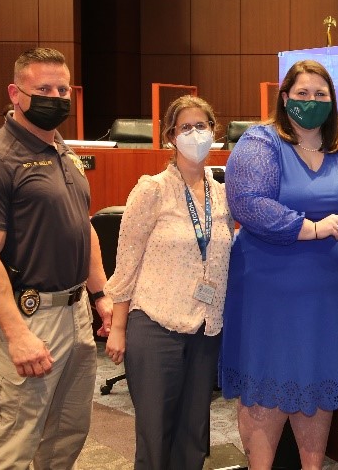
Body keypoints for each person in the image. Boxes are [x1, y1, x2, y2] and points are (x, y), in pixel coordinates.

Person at [0, 47, 114, 469]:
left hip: (75, 310)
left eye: (63, 88)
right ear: (15, 92)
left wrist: (101, 294)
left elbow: (83, 226)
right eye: (43, 88)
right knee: (18, 437)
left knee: (67, 431)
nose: (56, 96)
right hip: (29, 316)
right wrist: (16, 333)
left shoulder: (63, 149)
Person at [220, 59, 338, 469]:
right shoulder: (261, 143)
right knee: (266, 386)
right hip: (269, 289)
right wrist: (314, 228)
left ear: (332, 100)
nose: (311, 101)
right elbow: (249, 205)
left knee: (318, 383)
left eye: (320, 94)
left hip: (327, 289)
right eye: (302, 93)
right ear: (285, 98)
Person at [104, 95, 235, 470]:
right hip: (155, 323)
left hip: (206, 327)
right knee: (155, 432)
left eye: (203, 126)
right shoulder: (152, 190)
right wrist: (118, 326)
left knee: (194, 433)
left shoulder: (224, 194)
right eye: (185, 128)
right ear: (170, 137)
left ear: (215, 132)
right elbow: (126, 263)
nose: (195, 134)